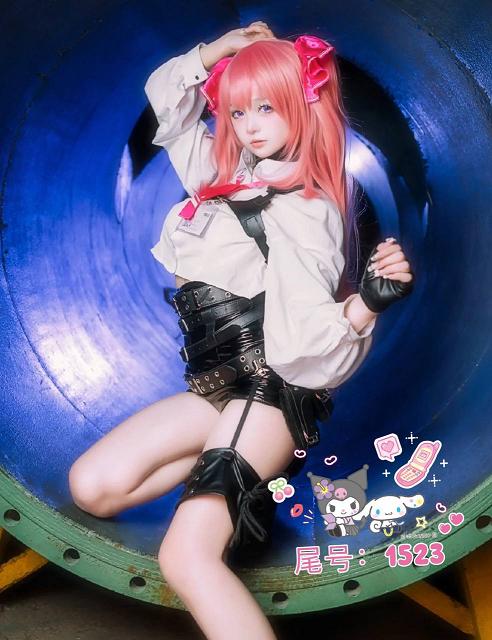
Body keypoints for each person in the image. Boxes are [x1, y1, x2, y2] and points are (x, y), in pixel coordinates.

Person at [68, 21, 414, 640]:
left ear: (300, 108)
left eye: (266, 107)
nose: (250, 124)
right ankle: (227, 470)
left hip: (271, 394)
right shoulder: (220, 176)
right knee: (92, 487)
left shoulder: (307, 208)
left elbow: (306, 347)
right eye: (237, 110)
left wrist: (366, 305)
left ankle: (232, 479)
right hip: (216, 391)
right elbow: (168, 103)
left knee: (186, 557)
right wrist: (218, 51)